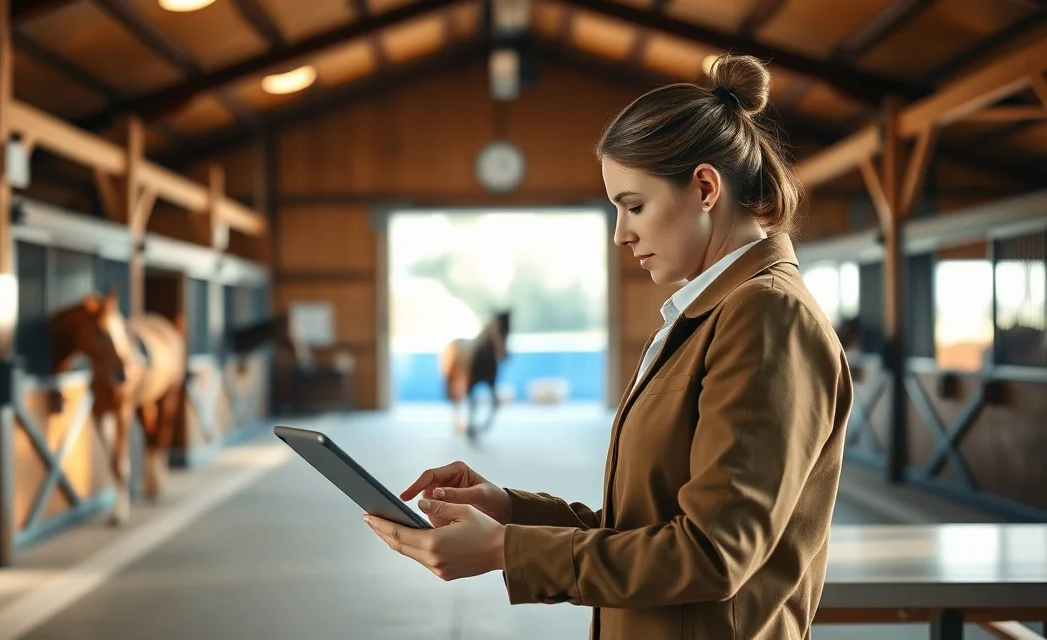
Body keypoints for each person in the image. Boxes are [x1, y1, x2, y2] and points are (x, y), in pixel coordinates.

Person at [364, 52, 854, 639]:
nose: (622, 234)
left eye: (634, 206)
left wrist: (504, 549)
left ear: (705, 187)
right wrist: (510, 510)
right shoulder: (711, 313)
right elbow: (645, 526)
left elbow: (712, 554)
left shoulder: (766, 316)